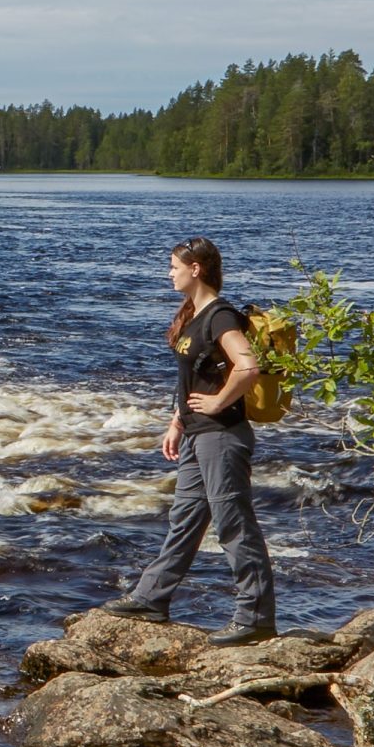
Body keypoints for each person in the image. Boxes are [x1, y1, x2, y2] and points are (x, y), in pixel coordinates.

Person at [98, 235, 277, 638]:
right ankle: (151, 599)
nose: (169, 273)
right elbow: (193, 377)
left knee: (234, 524)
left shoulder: (220, 315)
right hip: (198, 436)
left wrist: (216, 404)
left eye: (174, 267)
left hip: (223, 437)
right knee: (184, 521)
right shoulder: (194, 315)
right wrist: (177, 422)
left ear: (196, 269)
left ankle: (256, 619)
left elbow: (247, 368)